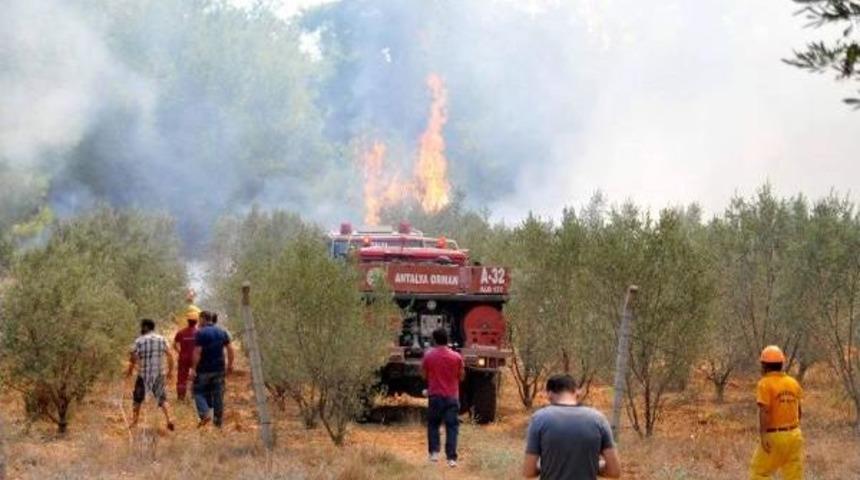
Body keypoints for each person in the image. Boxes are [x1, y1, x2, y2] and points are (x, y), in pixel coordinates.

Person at [523, 374, 621, 479]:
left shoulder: (539, 419)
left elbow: (528, 472)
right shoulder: (598, 419)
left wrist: (548, 466)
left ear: (549, 394)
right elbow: (614, 472)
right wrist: (592, 465)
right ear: (577, 392)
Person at [749, 345, 804, 480]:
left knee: (759, 473)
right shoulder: (793, 383)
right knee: (793, 475)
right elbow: (799, 411)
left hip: (775, 437)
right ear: (781, 364)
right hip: (795, 435)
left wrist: (763, 435)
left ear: (765, 366)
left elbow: (765, 411)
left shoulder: (765, 384)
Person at [420, 327, 464, 468]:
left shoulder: (428, 356)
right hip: (452, 396)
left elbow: (423, 374)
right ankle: (451, 458)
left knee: (433, 424)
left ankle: (434, 453)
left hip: (435, 396)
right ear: (448, 339)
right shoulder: (457, 357)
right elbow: (461, 376)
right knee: (452, 427)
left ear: (434, 339)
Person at [126, 318, 175, 431]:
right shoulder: (162, 339)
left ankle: (134, 422)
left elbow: (133, 357)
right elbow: (170, 355)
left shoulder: (139, 341)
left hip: (143, 374)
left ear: (145, 327)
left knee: (137, 399)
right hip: (158, 374)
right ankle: (169, 419)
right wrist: (170, 371)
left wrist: (130, 371)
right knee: (162, 398)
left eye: (142, 326)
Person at [189, 310, 234, 428]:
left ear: (203, 318)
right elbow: (230, 349)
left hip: (203, 370)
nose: (199, 321)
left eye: (200, 319)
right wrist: (230, 365)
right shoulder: (222, 332)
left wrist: (193, 369)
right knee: (218, 396)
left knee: (197, 392)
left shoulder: (201, 333)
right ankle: (218, 424)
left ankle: (205, 414)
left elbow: (198, 352)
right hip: (219, 369)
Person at [173, 309, 199, 400]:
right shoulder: (199, 333)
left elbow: (175, 345)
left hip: (183, 357)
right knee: (196, 375)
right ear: (196, 321)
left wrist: (179, 352)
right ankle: (194, 396)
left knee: (181, 377)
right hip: (195, 358)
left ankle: (181, 397)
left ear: (188, 321)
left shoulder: (181, 332)